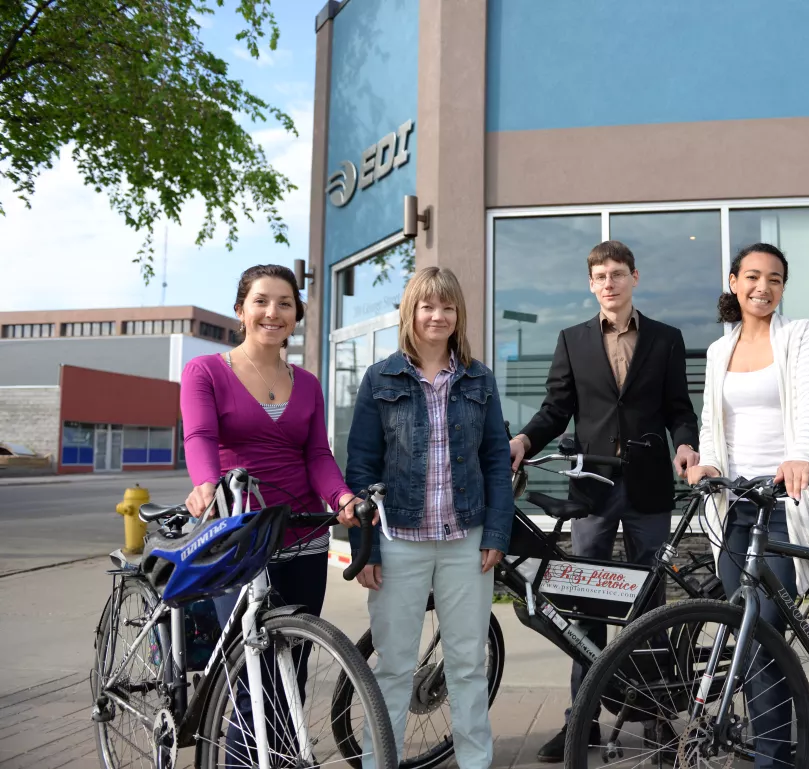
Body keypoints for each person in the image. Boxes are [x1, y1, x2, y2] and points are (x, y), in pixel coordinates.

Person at [509, 240, 700, 762]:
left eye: (618, 273)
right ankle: (584, 720)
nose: (610, 283)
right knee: (587, 605)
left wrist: (685, 444)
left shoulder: (666, 339)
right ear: (591, 284)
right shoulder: (572, 340)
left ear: (634, 278)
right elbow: (555, 409)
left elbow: (680, 409)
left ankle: (658, 720)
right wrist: (525, 441)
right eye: (600, 276)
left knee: (649, 603)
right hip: (591, 488)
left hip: (648, 489)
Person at [180, 263, 361, 763]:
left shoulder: (307, 383)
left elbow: (317, 456)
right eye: (261, 301)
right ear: (241, 310)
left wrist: (342, 498)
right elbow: (199, 437)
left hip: (303, 534)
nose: (272, 312)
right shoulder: (206, 372)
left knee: (292, 668)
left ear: (296, 315)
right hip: (238, 533)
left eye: (284, 303)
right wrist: (204, 484)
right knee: (250, 677)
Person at [344, 266, 515, 769]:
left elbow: (495, 462)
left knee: (466, 664)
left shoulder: (479, 378)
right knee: (394, 666)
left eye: (447, 307)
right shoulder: (381, 378)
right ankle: (382, 762)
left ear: (458, 314)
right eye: (427, 306)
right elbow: (361, 468)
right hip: (397, 539)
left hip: (467, 538)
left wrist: (497, 532)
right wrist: (363, 549)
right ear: (410, 312)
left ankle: (475, 763)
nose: (437, 316)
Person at [686, 242, 809, 768]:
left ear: (783, 287)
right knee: (743, 636)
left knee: (765, 632)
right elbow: (710, 422)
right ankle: (770, 745)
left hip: (781, 503)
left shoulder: (799, 335)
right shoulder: (719, 350)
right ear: (733, 281)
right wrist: (708, 465)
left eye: (774, 279)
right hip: (734, 507)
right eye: (751, 277)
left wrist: (799, 457)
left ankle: (776, 758)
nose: (762, 287)